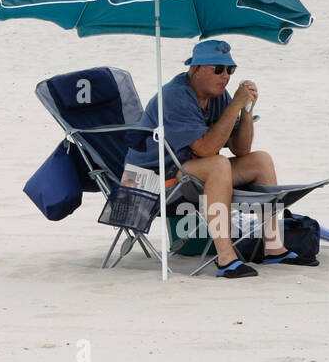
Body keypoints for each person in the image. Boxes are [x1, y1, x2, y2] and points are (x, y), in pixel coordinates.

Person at [124, 39, 318, 279]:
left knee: (260, 160)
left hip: (186, 171)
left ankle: (274, 247)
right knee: (217, 163)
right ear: (196, 69)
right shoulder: (175, 97)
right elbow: (206, 149)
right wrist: (234, 105)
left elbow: (241, 149)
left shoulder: (218, 96)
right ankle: (226, 259)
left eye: (230, 70)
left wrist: (245, 111)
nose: (225, 76)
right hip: (151, 180)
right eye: (218, 69)